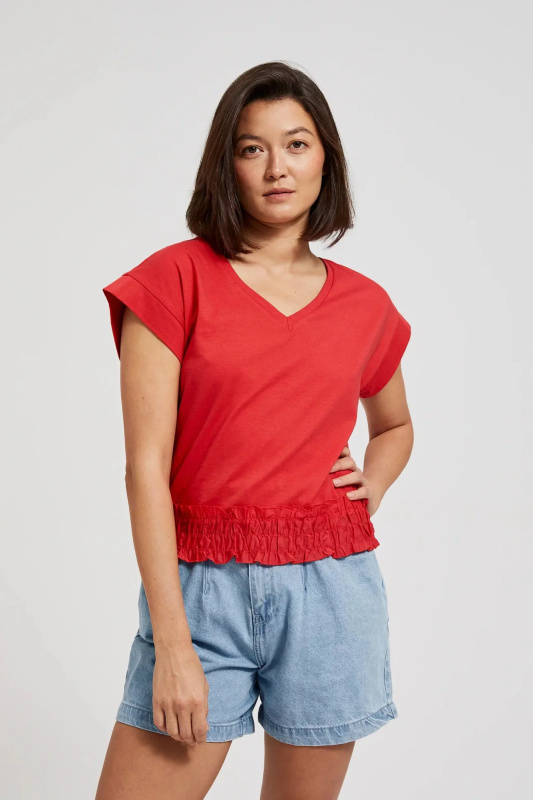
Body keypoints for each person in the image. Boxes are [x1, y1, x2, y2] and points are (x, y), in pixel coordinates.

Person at [95, 61, 414, 800]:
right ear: (227, 164)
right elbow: (145, 470)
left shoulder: (365, 305)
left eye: (296, 144)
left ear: (325, 158)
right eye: (252, 148)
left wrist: (371, 483)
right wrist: (173, 642)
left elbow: (394, 423)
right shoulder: (172, 281)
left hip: (332, 590)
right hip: (199, 591)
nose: (277, 168)